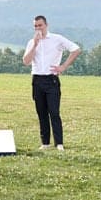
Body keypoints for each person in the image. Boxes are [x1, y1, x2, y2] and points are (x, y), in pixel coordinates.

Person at [23, 15, 79, 149]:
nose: (38, 28)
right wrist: (35, 45)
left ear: (46, 25)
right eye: (35, 26)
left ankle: (59, 143)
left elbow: (76, 49)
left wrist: (63, 66)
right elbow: (26, 61)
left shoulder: (57, 39)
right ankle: (45, 143)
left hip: (51, 79)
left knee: (54, 112)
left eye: (40, 25)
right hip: (37, 79)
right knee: (41, 112)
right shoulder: (31, 42)